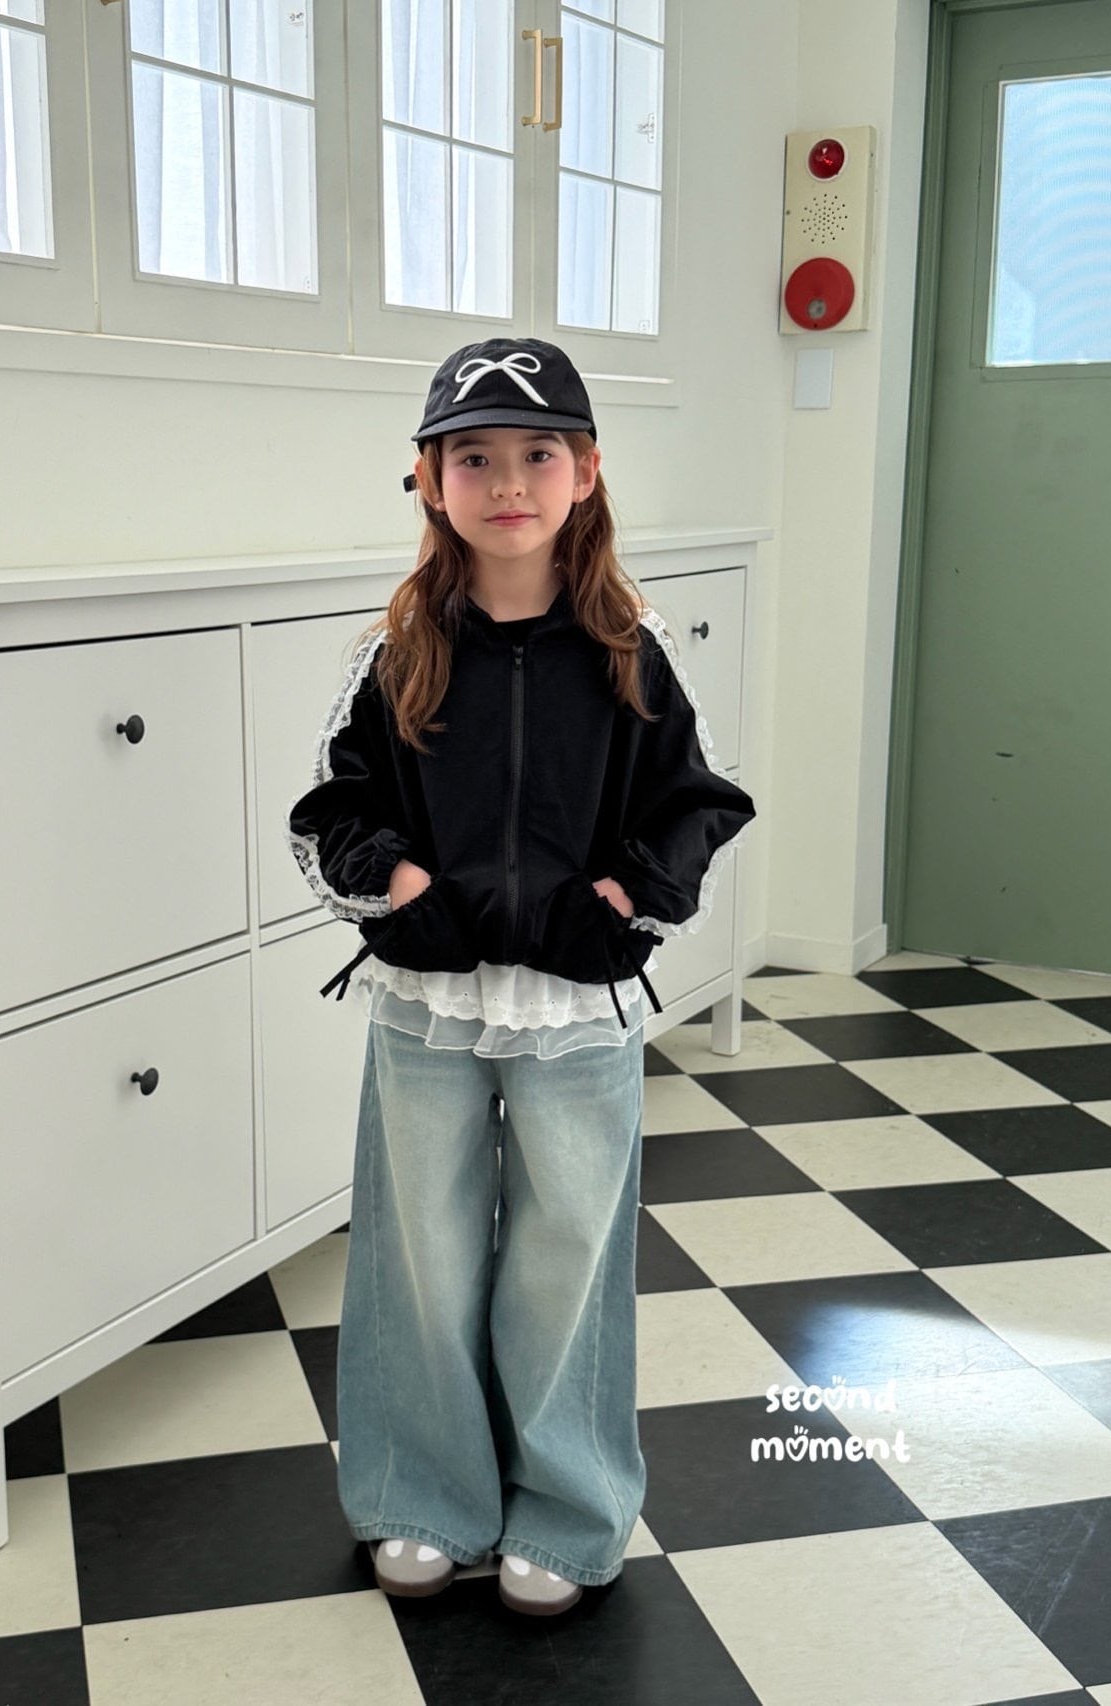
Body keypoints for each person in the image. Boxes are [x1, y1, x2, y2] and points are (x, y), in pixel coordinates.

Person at [288, 336, 757, 1617]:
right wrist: (399, 886)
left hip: (573, 1008)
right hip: (427, 1005)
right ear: (427, 479)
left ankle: (566, 1503)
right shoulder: (397, 652)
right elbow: (331, 810)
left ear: (585, 471)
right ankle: (421, 1493)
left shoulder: (629, 651)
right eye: (473, 457)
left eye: (537, 453)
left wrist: (624, 901)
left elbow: (693, 801)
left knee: (566, 1256)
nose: (507, 482)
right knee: (421, 1253)